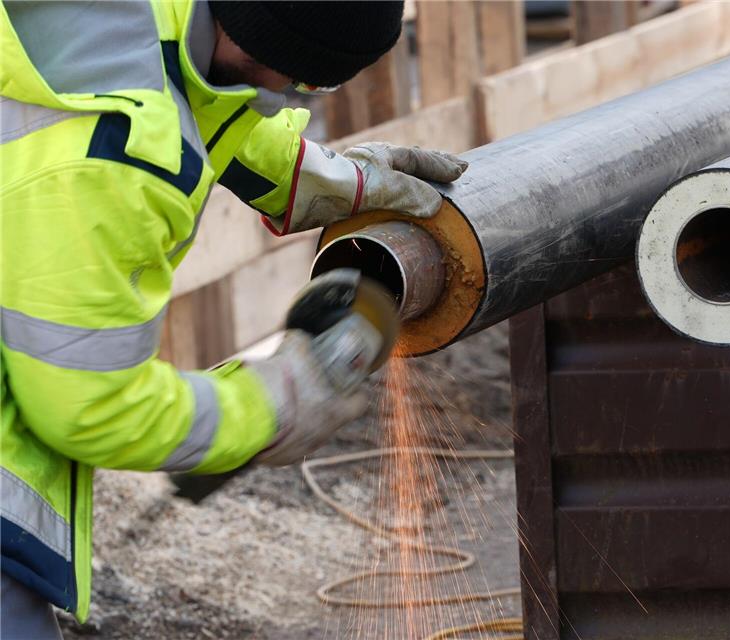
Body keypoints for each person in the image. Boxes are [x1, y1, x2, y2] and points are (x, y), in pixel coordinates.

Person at [0, 1, 467, 637]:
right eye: (307, 84)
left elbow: (196, 87)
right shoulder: (116, 162)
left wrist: (328, 176)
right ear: (277, 59)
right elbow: (92, 406)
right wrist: (271, 401)